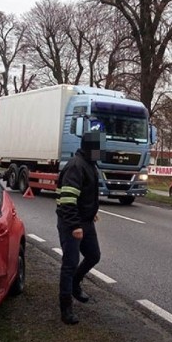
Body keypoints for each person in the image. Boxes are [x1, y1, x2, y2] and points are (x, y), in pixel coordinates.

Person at [55, 130, 103, 325]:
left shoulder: (90, 164)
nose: (101, 152)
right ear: (90, 147)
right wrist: (75, 225)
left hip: (86, 221)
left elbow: (86, 194)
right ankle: (65, 307)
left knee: (94, 255)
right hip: (71, 224)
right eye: (98, 148)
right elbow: (66, 199)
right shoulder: (76, 166)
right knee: (70, 263)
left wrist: (91, 212)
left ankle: (75, 283)